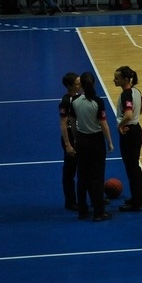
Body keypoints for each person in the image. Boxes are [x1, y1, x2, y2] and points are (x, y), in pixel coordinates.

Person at [71, 72, 114, 221]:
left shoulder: (75, 101)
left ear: (81, 85)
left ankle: (82, 211)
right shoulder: (98, 101)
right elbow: (103, 123)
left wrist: (76, 139)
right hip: (96, 142)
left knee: (82, 177)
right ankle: (99, 212)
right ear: (94, 84)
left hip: (82, 140)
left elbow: (72, 122)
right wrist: (109, 141)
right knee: (97, 177)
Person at [114, 66, 142, 212]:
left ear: (126, 79)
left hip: (130, 133)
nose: (114, 80)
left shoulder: (126, 95)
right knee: (135, 166)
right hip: (137, 130)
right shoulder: (136, 91)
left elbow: (127, 115)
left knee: (131, 168)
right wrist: (134, 118)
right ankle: (138, 197)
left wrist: (120, 125)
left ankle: (136, 203)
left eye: (117, 78)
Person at [59, 72, 81, 211]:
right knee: (70, 172)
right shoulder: (66, 101)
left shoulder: (79, 97)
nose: (80, 85)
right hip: (71, 140)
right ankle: (70, 201)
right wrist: (68, 144)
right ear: (69, 86)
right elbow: (63, 124)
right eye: (77, 83)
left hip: (80, 137)